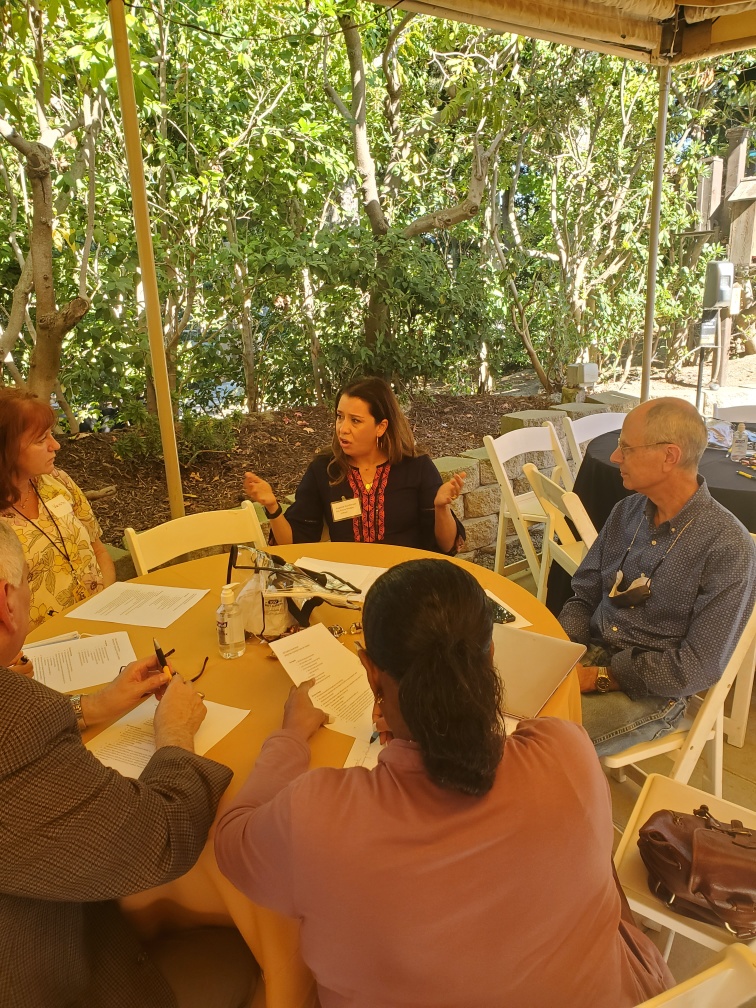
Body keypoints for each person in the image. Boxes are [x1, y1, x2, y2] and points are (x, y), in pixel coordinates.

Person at [215, 558, 673, 1008]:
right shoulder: (567, 750)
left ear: (371, 672)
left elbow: (233, 837)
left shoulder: (317, 819)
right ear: (492, 656)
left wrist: (291, 736)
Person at [0, 522, 258, 1008]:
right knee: (250, 958)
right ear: (4, 602)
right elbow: (162, 837)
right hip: (50, 979)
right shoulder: (16, 725)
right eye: (29, 584)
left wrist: (89, 709)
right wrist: (175, 732)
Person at [559, 397, 756, 756]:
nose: (616, 458)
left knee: (536, 739)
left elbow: (697, 668)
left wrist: (600, 677)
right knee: (497, 702)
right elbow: (583, 592)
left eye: (626, 448)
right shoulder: (626, 511)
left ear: (670, 456)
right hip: (589, 650)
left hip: (652, 691)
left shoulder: (727, 546)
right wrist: (562, 649)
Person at [243, 377, 465, 554]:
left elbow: (445, 546)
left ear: (381, 426)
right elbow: (295, 545)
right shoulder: (324, 469)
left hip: (406, 583)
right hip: (348, 583)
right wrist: (272, 507)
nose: (343, 428)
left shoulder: (416, 467)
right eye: (340, 417)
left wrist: (441, 507)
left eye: (355, 420)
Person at [0, 387, 116, 629]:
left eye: (51, 435)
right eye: (41, 440)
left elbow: (99, 552)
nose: (56, 445)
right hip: (38, 647)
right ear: (6, 450)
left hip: (101, 622)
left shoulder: (58, 481)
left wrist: (104, 605)